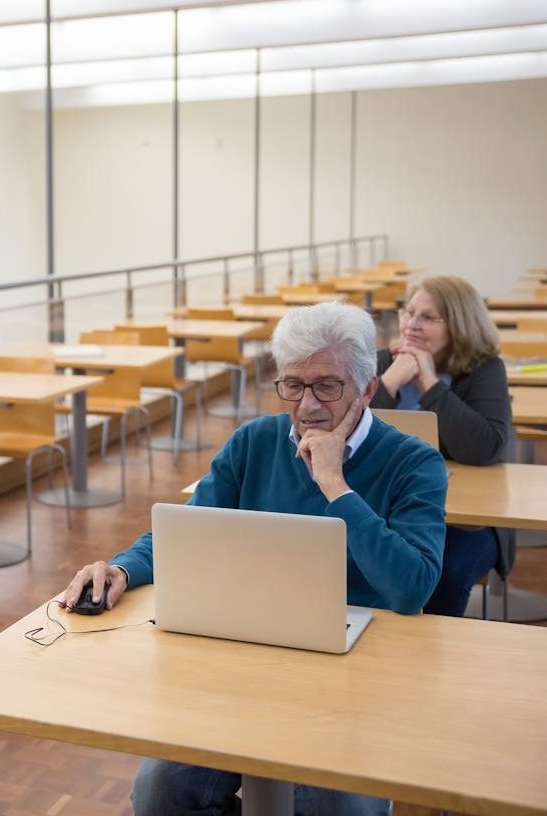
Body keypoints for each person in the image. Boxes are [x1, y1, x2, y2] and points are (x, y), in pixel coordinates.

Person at [60, 301, 446, 816]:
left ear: (367, 389)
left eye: (327, 386)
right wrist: (123, 567)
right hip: (245, 662)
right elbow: (187, 533)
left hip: (355, 684)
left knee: (340, 809)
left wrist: (336, 486)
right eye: (293, 385)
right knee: (160, 792)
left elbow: (412, 586)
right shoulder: (253, 442)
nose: (307, 404)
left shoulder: (414, 462)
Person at [371, 275, 512, 617]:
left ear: (460, 325)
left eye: (428, 318)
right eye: (409, 312)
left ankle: (432, 662)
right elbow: (347, 430)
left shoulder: (484, 369)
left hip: (465, 521)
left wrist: (429, 383)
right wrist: (390, 382)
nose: (411, 324)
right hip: (390, 507)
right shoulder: (382, 364)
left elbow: (485, 448)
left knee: (442, 576)